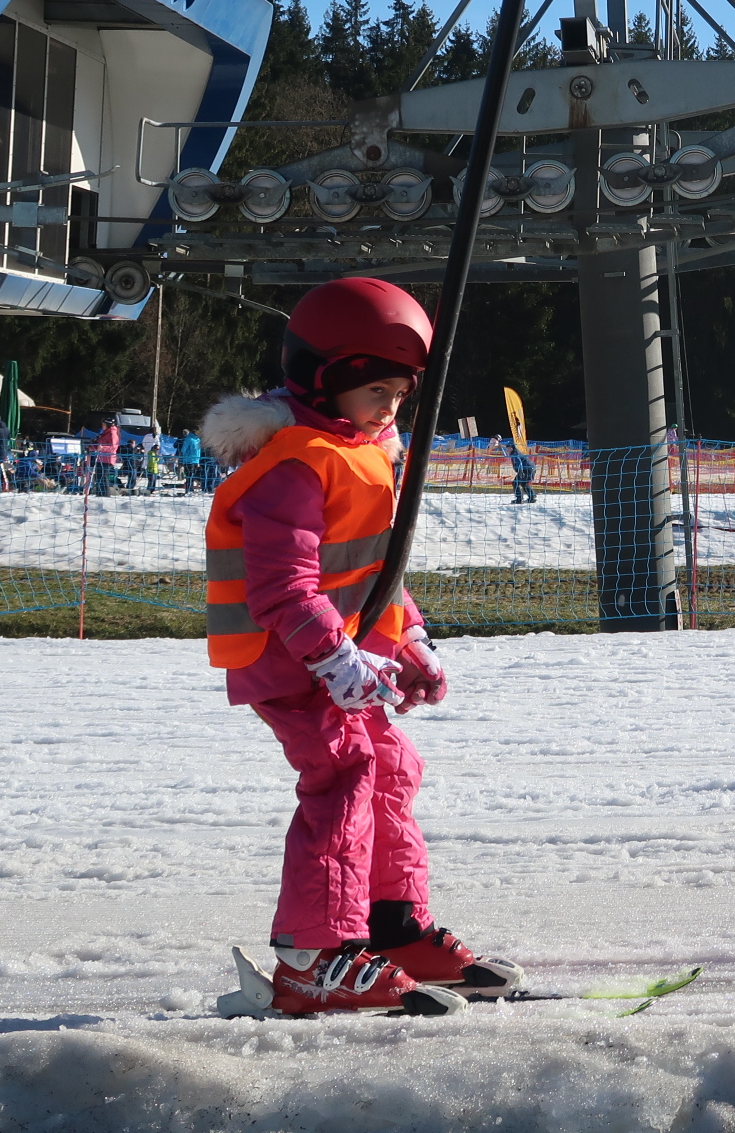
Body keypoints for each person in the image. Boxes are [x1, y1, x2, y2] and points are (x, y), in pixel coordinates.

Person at [198, 277, 519, 1016]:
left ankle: (391, 929)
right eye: (377, 390)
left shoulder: (363, 449)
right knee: (345, 775)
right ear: (324, 378)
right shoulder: (294, 464)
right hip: (291, 664)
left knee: (392, 769)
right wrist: (334, 659)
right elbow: (282, 588)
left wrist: (408, 639)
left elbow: (375, 570)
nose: (391, 407)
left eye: (401, 394)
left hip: (343, 662)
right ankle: (315, 958)